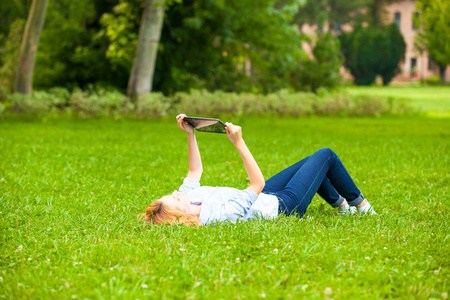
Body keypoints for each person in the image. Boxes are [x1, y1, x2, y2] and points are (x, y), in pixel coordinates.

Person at [145, 114, 376, 226]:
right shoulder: (220, 215)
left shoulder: (190, 199)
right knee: (325, 155)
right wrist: (238, 142)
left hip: (265, 198)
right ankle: (363, 207)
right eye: (175, 198)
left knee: (310, 163)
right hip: (284, 206)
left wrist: (190, 134)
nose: (177, 192)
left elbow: (194, 172)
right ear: (182, 214)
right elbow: (257, 184)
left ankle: (342, 206)